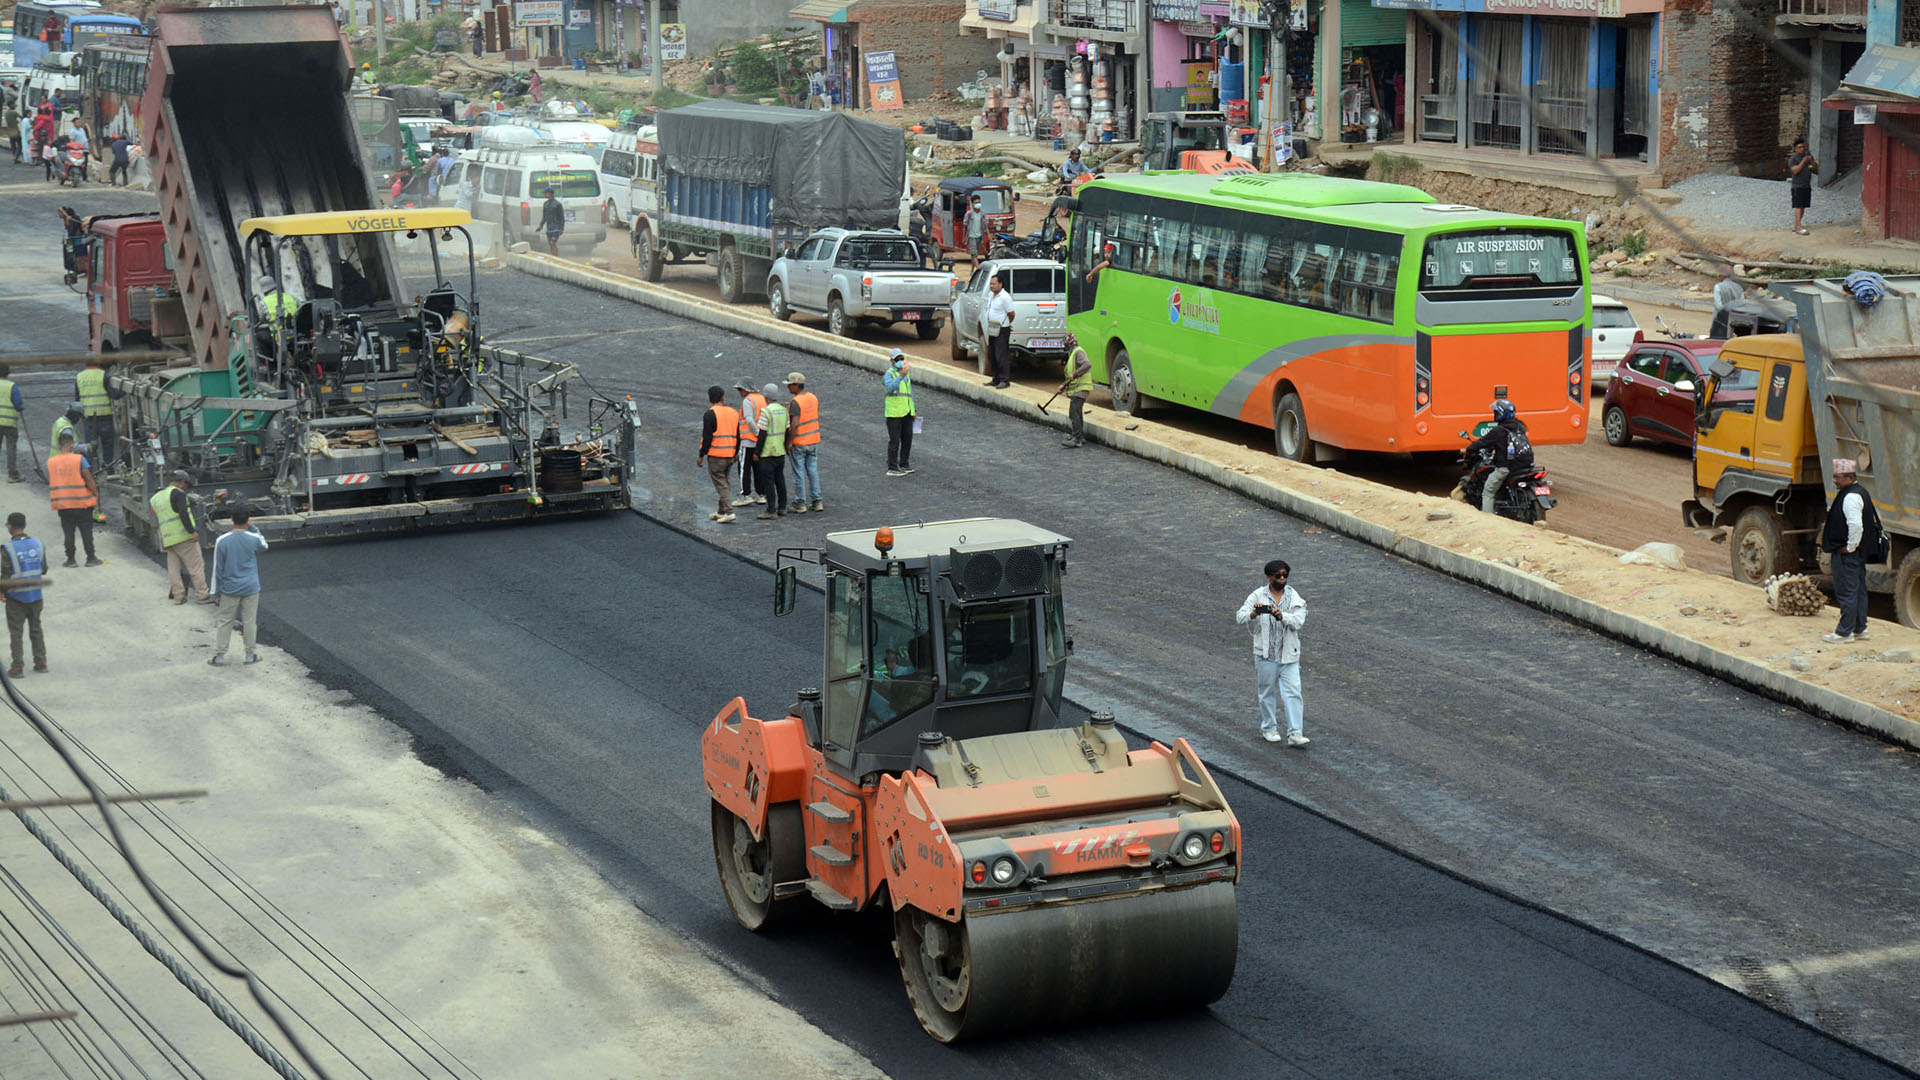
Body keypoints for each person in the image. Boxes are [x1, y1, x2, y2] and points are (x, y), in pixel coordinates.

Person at [1235, 559, 1309, 746]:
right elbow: (1240, 616)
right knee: (1267, 692)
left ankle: (1295, 733)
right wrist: (1254, 614)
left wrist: (1282, 615)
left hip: (1289, 655)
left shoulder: (1294, 597)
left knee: (1293, 693)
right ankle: (1269, 728)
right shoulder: (1258, 595)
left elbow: (1299, 621)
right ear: (1269, 577)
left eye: (1285, 575)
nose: (1282, 579)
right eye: (1278, 576)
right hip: (1265, 655)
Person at [1822, 458, 1878, 643]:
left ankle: (1844, 633)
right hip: (1857, 554)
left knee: (1847, 592)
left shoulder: (1850, 497)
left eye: (1837, 477)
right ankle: (1860, 629)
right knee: (1858, 590)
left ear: (1849, 477)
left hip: (1848, 555)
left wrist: (1849, 547)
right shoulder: (1859, 492)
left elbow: (1856, 526)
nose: (1835, 481)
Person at [209, 507, 269, 666]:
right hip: (251, 587)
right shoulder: (253, 538)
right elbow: (264, 545)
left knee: (225, 621)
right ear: (247, 520)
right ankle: (250, 655)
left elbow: (217, 568)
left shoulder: (222, 541)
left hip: (230, 588)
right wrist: (253, 527)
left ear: (231, 518)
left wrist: (215, 593)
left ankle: (220, 656)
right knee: (250, 621)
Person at [1462, 399, 1532, 515]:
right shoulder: (1520, 427)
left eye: (1495, 412)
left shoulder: (1499, 431)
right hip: (1526, 465)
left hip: (1507, 467)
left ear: (1500, 414)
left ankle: (1488, 519)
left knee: (1488, 492)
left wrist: (1468, 449)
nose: (1494, 414)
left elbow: (1481, 442)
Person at [153, 470, 213, 605]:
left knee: (173, 569)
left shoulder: (157, 497)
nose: (186, 488)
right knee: (196, 566)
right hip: (184, 537)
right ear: (182, 483)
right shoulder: (178, 494)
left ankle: (178, 596)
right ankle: (202, 595)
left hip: (168, 539)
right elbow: (183, 514)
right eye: (186, 485)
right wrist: (192, 531)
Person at [2, 513, 48, 677]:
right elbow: (43, 569)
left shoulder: (8, 548)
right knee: (36, 629)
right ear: (25, 525)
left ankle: (17, 667)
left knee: (16, 632)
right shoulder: (38, 544)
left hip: (16, 599)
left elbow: (6, 574)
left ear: (10, 526)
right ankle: (41, 662)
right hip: (36, 596)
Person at [46, 431, 100, 568]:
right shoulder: (79, 459)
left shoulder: (51, 462)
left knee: (68, 532)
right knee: (86, 531)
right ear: (71, 445)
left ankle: (71, 560)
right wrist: (95, 493)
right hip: (82, 503)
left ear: (59, 446)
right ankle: (91, 558)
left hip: (63, 505)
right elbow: (89, 479)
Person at [697, 386, 740, 524]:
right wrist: (736, 452)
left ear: (710, 398)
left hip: (716, 455)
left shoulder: (710, 414)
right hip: (730, 454)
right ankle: (721, 511)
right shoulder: (733, 412)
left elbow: (707, 437)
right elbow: (738, 435)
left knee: (721, 484)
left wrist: (701, 455)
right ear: (722, 397)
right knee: (725, 482)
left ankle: (729, 511)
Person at [786, 371, 823, 514]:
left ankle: (800, 502)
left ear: (796, 385)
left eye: (790, 385)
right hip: (813, 440)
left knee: (799, 473)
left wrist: (790, 442)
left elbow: (794, 424)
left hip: (800, 442)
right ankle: (817, 501)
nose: (788, 388)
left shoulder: (796, 402)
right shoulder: (813, 397)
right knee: (813, 471)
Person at [753, 383, 791, 519]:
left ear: (766, 397)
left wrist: (757, 452)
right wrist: (786, 447)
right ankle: (782, 507)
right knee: (780, 480)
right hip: (780, 451)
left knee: (768, 482)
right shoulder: (784, 410)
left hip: (768, 452)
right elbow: (787, 431)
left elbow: (762, 434)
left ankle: (771, 510)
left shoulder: (766, 412)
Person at [74, 357, 115, 470]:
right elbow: (114, 395)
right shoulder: (104, 375)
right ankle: (108, 467)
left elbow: (77, 400)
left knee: (90, 446)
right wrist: (124, 391)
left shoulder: (79, 377)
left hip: (88, 418)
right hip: (105, 416)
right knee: (107, 443)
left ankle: (90, 469)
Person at [731, 379, 766, 507]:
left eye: (740, 390)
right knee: (758, 469)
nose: (740, 392)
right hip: (759, 442)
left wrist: (756, 433)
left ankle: (745, 495)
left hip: (748, 440)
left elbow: (749, 420)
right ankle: (761, 494)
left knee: (744, 468)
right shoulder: (762, 399)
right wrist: (760, 436)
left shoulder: (748, 401)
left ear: (745, 389)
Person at [883, 349, 915, 477]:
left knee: (907, 439)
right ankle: (892, 467)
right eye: (897, 359)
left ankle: (904, 464)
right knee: (895, 441)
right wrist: (900, 376)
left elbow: (909, 394)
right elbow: (890, 388)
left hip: (907, 412)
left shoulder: (906, 375)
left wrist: (913, 410)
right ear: (892, 361)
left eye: (902, 358)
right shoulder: (889, 374)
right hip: (894, 414)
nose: (900, 361)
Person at [980, 272, 1015, 389]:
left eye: (994, 284)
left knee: (1001, 355)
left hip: (1002, 329)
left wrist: (1006, 323)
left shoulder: (1005, 297)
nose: (992, 286)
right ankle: (996, 379)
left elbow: (1011, 313)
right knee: (992, 354)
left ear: (1000, 284)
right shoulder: (991, 295)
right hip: (992, 328)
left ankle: (1005, 380)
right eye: (990, 284)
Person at [1059, 333, 1092, 448]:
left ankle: (1076, 439)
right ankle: (1080, 437)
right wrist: (1063, 386)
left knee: (1074, 413)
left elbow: (1087, 364)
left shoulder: (1078, 352)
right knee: (1077, 413)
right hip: (1078, 389)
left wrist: (1075, 374)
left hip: (1081, 389)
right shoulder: (1073, 354)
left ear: (1068, 344)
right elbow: (1070, 376)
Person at [1788, 138, 1818, 236]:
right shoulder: (1793, 159)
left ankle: (1797, 225)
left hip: (1806, 185)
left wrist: (1811, 161)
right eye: (1799, 147)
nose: (1802, 149)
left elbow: (1815, 169)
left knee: (1803, 206)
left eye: (1803, 147)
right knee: (1798, 206)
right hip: (1797, 186)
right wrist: (1804, 161)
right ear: (1795, 149)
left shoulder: (1808, 157)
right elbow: (1795, 171)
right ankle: (1798, 227)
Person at [0, 365, 23, 482]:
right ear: (8, 374)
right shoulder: (12, 386)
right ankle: (12, 474)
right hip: (9, 423)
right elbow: (18, 404)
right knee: (11, 448)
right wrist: (21, 407)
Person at [540, 187, 565, 254]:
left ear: (549, 194)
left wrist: (561, 228)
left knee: (552, 243)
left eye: (545, 193)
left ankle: (555, 255)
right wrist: (541, 225)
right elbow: (544, 216)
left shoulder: (557, 204)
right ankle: (554, 256)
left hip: (556, 228)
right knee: (551, 245)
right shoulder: (545, 204)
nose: (544, 195)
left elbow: (561, 217)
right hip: (549, 229)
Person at [965, 194, 986, 261]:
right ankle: (977, 267)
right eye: (976, 202)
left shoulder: (982, 214)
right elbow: (965, 226)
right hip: (971, 236)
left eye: (979, 202)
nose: (977, 204)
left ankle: (973, 267)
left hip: (979, 236)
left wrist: (989, 236)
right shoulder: (969, 214)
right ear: (972, 204)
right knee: (974, 253)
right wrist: (964, 237)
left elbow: (986, 226)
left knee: (976, 254)